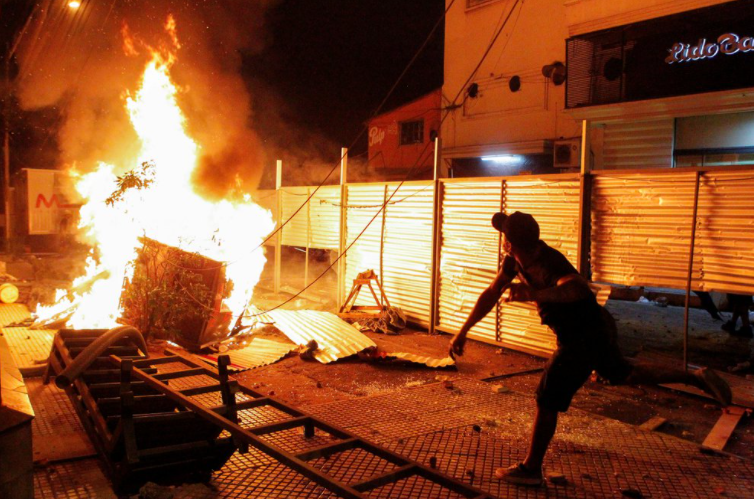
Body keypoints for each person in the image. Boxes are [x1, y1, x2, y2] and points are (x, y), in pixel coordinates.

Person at [449, 211, 732, 487]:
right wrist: (464, 331)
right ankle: (694, 377)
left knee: (547, 397)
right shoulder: (513, 261)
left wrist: (534, 293)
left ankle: (531, 469)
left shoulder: (548, 263)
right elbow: (492, 292)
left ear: (509, 243)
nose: (503, 244)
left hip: (582, 336)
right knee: (622, 373)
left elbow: (579, 290)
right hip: (594, 328)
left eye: (504, 239)